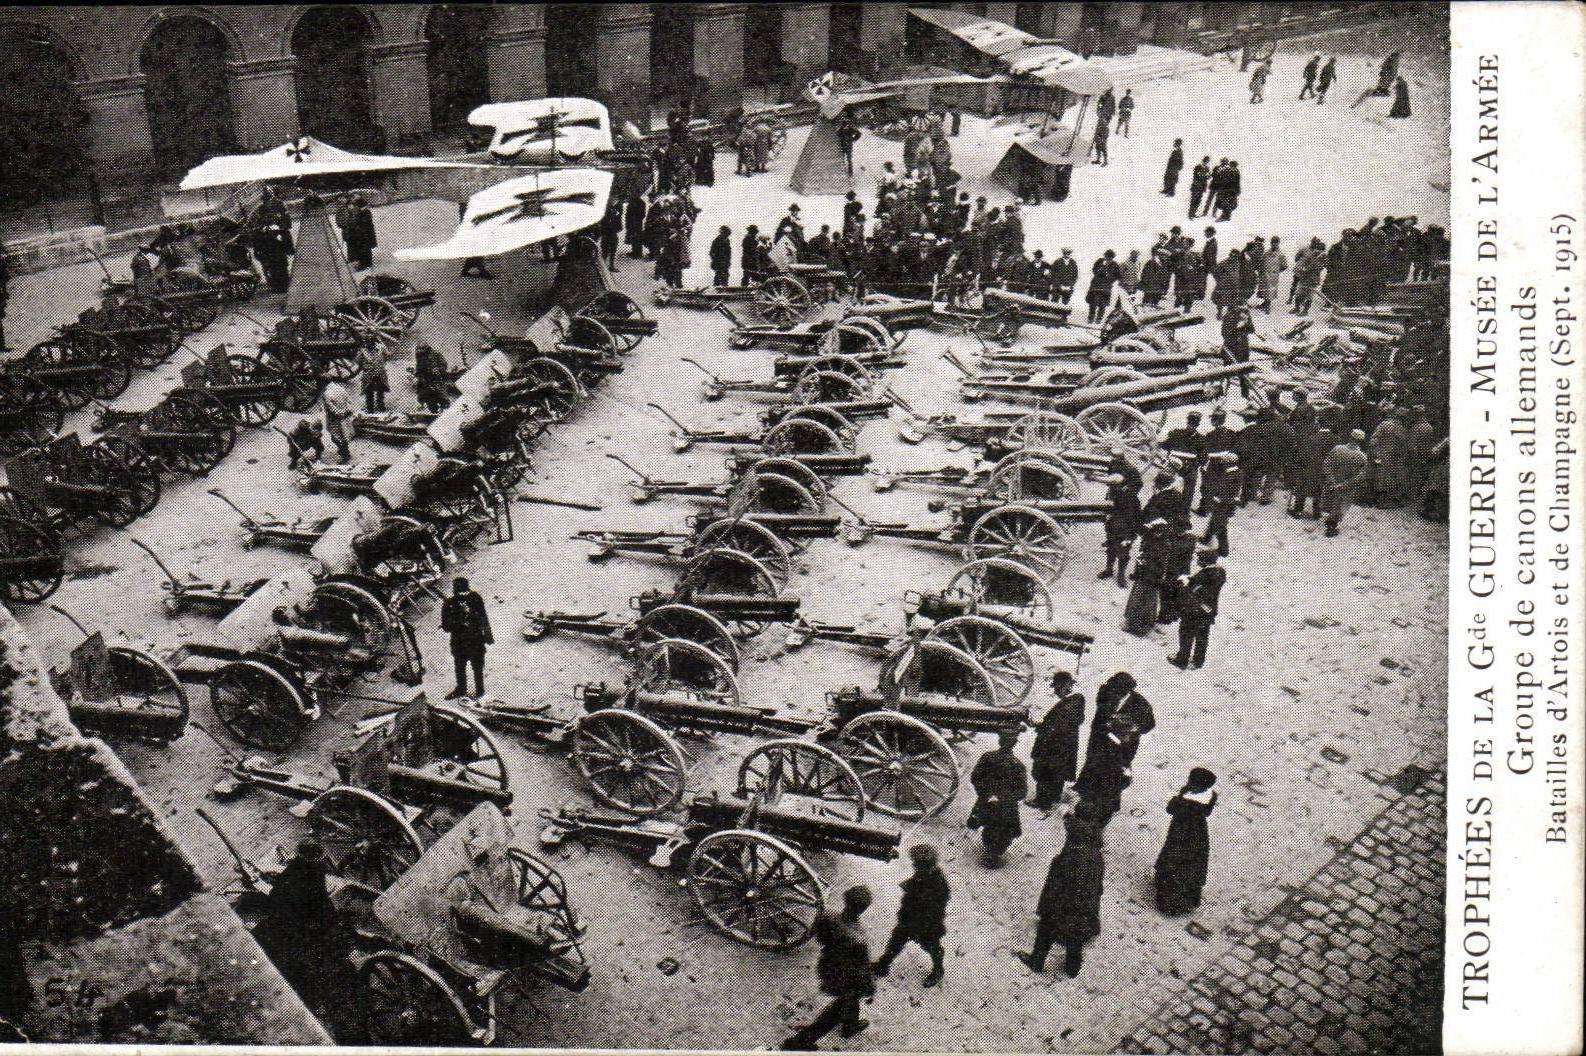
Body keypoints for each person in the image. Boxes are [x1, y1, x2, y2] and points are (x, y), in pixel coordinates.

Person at [251, 839, 348, 1009]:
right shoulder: (317, 871)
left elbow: (277, 898)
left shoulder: (296, 872)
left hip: (297, 924)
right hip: (317, 917)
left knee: (267, 941)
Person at [782, 886, 875, 1050]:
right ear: (864, 909)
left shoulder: (827, 916)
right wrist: (870, 986)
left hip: (828, 966)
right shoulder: (859, 938)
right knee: (835, 1012)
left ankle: (850, 1025)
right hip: (848, 977)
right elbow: (863, 968)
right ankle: (801, 1042)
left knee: (850, 999)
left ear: (845, 898)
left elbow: (819, 936)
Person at [1015, 817, 1105, 978]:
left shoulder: (1069, 858)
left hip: (1064, 906)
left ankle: (1037, 961)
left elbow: (1055, 887)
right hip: (1086, 908)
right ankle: (1072, 967)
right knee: (1076, 935)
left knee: (1046, 929)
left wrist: (1045, 909)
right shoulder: (1097, 857)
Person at [872, 845, 949, 987]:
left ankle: (938, 969)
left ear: (926, 865)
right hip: (909, 920)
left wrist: (922, 924)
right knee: (896, 941)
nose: (914, 865)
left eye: (917, 863)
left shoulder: (939, 884)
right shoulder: (922, 875)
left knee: (932, 947)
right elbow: (916, 887)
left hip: (927, 926)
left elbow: (935, 909)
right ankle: (883, 964)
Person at [1154, 768, 1218, 914]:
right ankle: (1187, 898)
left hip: (1180, 834)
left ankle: (1171, 902)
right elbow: (1207, 812)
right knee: (1192, 866)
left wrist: (1179, 799)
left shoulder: (1186, 801)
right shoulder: (1211, 796)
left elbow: (1170, 809)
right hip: (1198, 834)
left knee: (1173, 863)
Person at [967, 729, 1027, 867]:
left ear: (999, 741)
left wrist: (985, 794)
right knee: (1004, 831)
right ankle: (995, 852)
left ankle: (990, 850)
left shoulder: (987, 757)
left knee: (988, 825)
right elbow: (1022, 792)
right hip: (1007, 808)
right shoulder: (1018, 765)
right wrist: (1004, 799)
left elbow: (975, 778)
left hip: (986, 802)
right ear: (1014, 744)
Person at [1028, 671, 1086, 810]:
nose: (1055, 691)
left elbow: (1058, 727)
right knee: (1057, 773)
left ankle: (1043, 802)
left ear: (1065, 686)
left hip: (1054, 746)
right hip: (1063, 746)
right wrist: (1041, 725)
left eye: (1057, 688)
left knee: (1045, 772)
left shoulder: (1070, 704)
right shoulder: (1073, 702)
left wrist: (1044, 731)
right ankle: (1054, 796)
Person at [1170, 548, 1226, 669]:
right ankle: (1198, 660)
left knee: (1186, 633)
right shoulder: (1219, 573)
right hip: (1209, 611)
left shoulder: (1206, 574)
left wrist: (1186, 585)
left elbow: (1197, 591)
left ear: (1206, 562)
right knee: (1202, 636)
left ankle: (1182, 660)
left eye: (1201, 560)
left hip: (1195, 610)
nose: (1198, 562)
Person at [441, 576, 493, 699]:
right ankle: (461, 689)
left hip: (476, 641)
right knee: (460, 668)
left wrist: (488, 635)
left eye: (466, 593)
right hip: (459, 643)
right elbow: (445, 626)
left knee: (478, 667)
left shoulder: (475, 598)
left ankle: (480, 691)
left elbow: (483, 617)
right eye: (461, 594)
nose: (464, 596)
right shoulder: (449, 604)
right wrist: (460, 621)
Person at [1122, 518, 1169, 636]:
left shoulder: (1165, 545)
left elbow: (1162, 565)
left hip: (1152, 578)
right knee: (1137, 600)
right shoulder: (1148, 540)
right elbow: (1141, 554)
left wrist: (1149, 566)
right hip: (1143, 575)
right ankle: (1132, 623)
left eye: (1160, 531)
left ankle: (1142, 628)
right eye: (1156, 531)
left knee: (1147, 603)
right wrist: (1140, 565)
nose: (1157, 533)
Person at [1321, 429, 1370, 537]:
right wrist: (1346, 484)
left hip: (1332, 483)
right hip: (1347, 487)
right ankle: (1331, 526)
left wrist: (1332, 480)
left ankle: (1330, 519)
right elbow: (1361, 476)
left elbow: (1326, 464)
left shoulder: (1337, 448)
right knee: (1341, 505)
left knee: (1331, 501)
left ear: (1350, 438)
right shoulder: (1362, 457)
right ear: (1361, 441)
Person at [1100, 470, 1143, 586]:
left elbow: (1136, 517)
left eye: (1111, 484)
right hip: (1112, 528)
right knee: (1111, 549)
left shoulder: (1130, 497)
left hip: (1126, 532)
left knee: (1123, 554)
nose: (1109, 486)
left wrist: (1131, 536)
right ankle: (1109, 570)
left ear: (1118, 484)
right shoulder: (1112, 492)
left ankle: (1121, 576)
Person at [1369, 409, 1412, 508]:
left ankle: (1377, 500)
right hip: (1390, 457)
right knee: (1383, 477)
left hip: (1384, 455)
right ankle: (1379, 500)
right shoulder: (1402, 429)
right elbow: (1403, 447)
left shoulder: (1385, 424)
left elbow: (1374, 439)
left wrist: (1376, 453)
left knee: (1380, 477)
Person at [1164, 411, 1205, 512]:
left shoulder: (1200, 439)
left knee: (1188, 485)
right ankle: (1172, 509)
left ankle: (1180, 511)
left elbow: (1203, 458)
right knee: (1167, 481)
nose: (1191, 427)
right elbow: (1165, 445)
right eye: (1191, 424)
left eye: (1193, 425)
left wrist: (1193, 465)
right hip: (1180, 465)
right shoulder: (1178, 434)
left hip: (1183, 466)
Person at [319, 379, 354, 463]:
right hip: (345, 417)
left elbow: (331, 409)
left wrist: (339, 414)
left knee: (335, 438)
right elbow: (349, 401)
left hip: (335, 419)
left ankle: (345, 454)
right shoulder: (340, 388)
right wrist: (347, 411)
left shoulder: (326, 394)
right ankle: (345, 451)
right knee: (345, 435)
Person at [341, 195, 376, 271]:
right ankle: (365, 263)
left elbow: (364, 223)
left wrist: (357, 228)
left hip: (364, 233)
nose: (354, 206)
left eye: (355, 205)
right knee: (363, 249)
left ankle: (366, 264)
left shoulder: (365, 212)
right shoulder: (360, 212)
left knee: (365, 249)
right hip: (361, 233)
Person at [414, 343, 450, 414]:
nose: (419, 351)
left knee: (441, 396)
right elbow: (419, 368)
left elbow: (444, 364)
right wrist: (419, 375)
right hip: (425, 380)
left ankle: (445, 410)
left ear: (426, 348)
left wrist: (438, 370)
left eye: (421, 349)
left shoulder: (436, 354)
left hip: (437, 379)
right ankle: (434, 412)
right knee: (429, 399)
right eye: (418, 350)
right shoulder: (419, 356)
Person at [1085, 250, 1119, 324]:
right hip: (1095, 286)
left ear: (1113, 257)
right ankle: (1090, 319)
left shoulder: (1115, 265)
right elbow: (1094, 270)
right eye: (1107, 256)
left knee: (1102, 305)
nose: (1108, 258)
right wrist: (1100, 270)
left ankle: (1098, 320)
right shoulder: (1100, 261)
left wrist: (1109, 276)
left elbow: (1117, 276)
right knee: (1092, 303)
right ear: (1105, 256)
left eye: (1110, 257)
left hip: (1106, 288)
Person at [358, 344, 387, 412]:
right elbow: (358, 361)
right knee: (369, 391)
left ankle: (380, 406)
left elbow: (388, 355)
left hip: (379, 372)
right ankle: (370, 408)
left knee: (380, 390)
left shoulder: (381, 347)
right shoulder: (363, 351)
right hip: (369, 373)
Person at [599, 202, 623, 270]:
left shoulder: (616, 208)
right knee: (606, 249)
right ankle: (604, 266)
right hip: (607, 232)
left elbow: (618, 220)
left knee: (611, 249)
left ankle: (609, 265)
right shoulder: (606, 209)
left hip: (611, 232)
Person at [624, 193, 648, 258]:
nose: (633, 195)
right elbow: (627, 213)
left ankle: (637, 253)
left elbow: (643, 214)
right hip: (632, 222)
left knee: (637, 238)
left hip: (636, 223)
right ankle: (634, 252)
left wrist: (636, 218)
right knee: (633, 238)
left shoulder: (641, 203)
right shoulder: (632, 202)